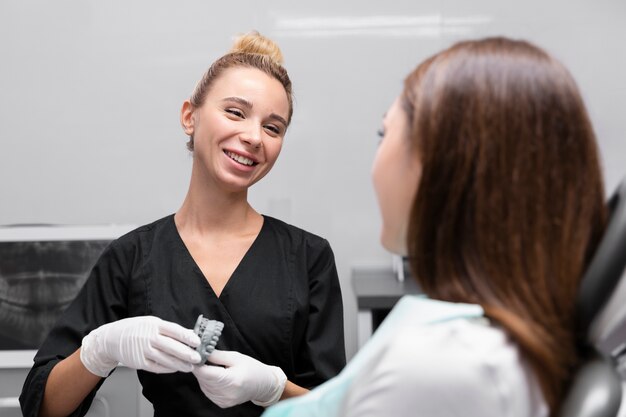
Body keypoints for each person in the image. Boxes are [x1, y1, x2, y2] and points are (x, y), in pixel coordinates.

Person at [262, 37, 607, 417]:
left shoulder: (444, 364)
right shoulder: (474, 335)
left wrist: (275, 391)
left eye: (384, 134)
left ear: (441, 166)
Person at [20, 31, 346, 417]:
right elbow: (42, 406)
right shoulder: (133, 257)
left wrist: (274, 389)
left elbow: (338, 408)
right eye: (236, 112)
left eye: (273, 128)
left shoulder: (309, 257)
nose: (253, 137)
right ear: (190, 117)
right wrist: (99, 351)